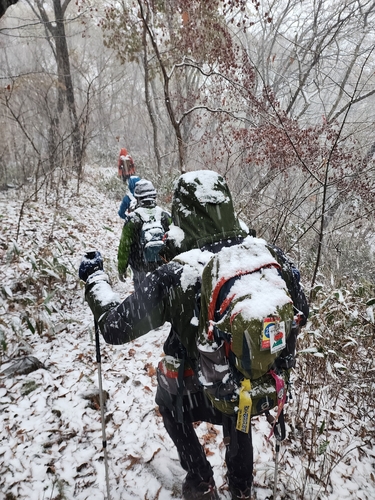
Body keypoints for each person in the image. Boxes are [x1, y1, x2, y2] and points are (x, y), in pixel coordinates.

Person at [79, 170, 309, 500]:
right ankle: (242, 488)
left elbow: (115, 328)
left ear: (182, 215)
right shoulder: (268, 257)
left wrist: (95, 280)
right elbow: (301, 311)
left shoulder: (177, 273)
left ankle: (201, 481)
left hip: (192, 388)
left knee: (168, 405)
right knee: (238, 417)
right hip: (247, 383)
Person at [117, 179, 171, 291]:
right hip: (160, 260)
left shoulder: (133, 218)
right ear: (154, 197)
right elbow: (174, 239)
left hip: (139, 263)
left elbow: (124, 246)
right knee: (162, 285)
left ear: (137, 198)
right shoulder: (164, 215)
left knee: (140, 288)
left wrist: (122, 268)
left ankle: (142, 304)